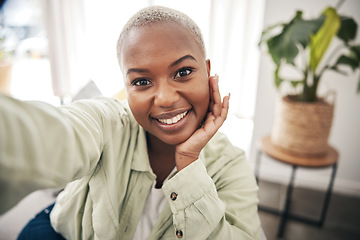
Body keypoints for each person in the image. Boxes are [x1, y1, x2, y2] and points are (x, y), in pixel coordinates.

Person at [0, 6, 261, 240]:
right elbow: (53, 135)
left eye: (182, 73)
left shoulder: (230, 165)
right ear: (126, 87)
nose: (166, 99)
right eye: (142, 82)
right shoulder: (110, 121)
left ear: (207, 72)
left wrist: (189, 162)